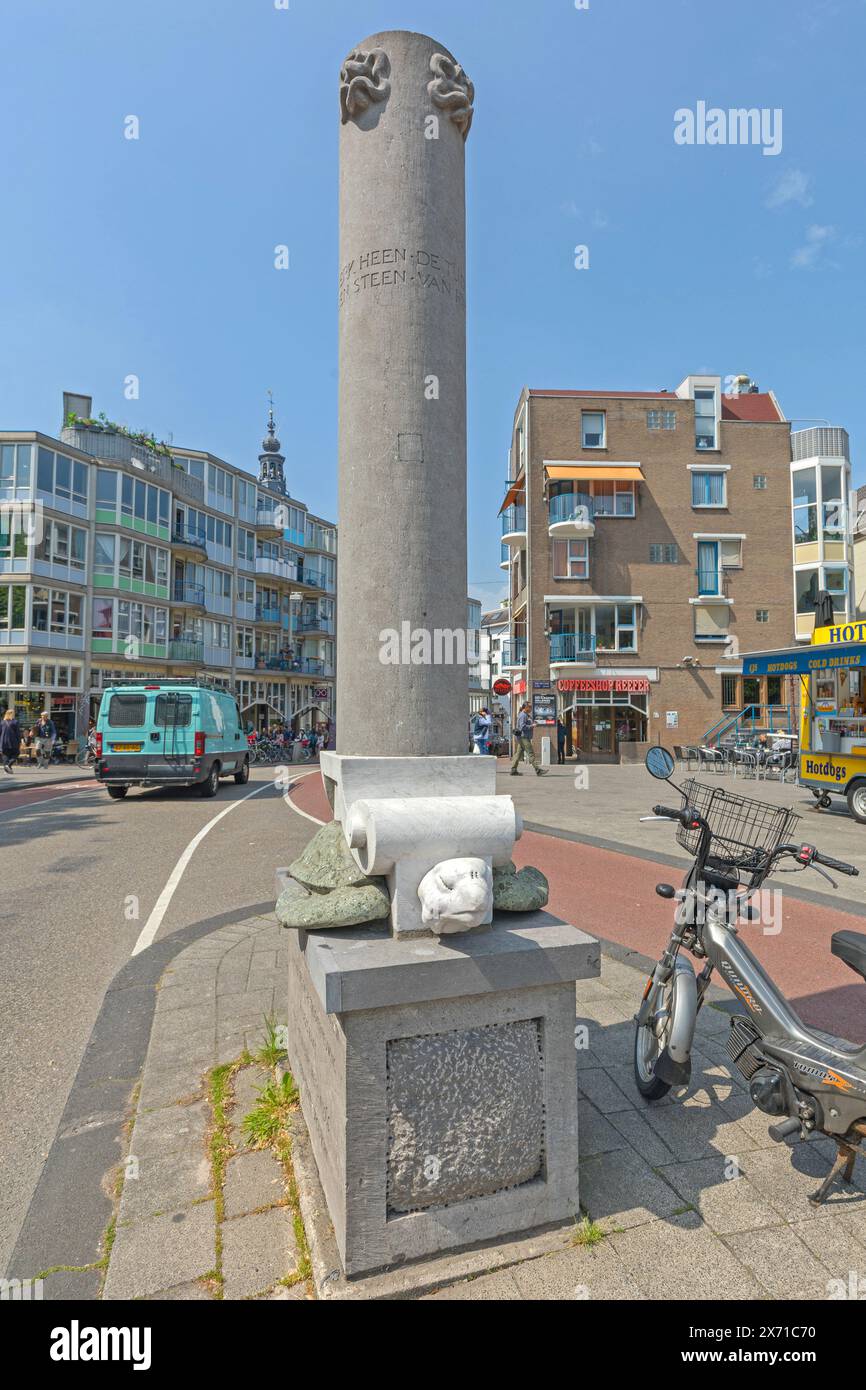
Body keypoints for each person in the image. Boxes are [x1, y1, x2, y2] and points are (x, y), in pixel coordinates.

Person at [510, 702, 547, 776]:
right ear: (525, 707)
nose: (530, 708)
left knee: (518, 754)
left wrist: (532, 723)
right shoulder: (523, 715)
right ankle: (538, 770)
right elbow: (522, 727)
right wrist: (532, 725)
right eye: (529, 707)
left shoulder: (526, 715)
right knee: (531, 754)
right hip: (524, 737)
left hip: (523, 737)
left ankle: (513, 770)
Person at [1, 710, 21, 774]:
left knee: (6, 755)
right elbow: (18, 733)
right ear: (11, 714)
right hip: (13, 741)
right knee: (16, 753)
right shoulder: (15, 722)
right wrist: (19, 741)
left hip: (3, 742)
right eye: (13, 713)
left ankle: (7, 769)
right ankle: (8, 765)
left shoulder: (2, 722)